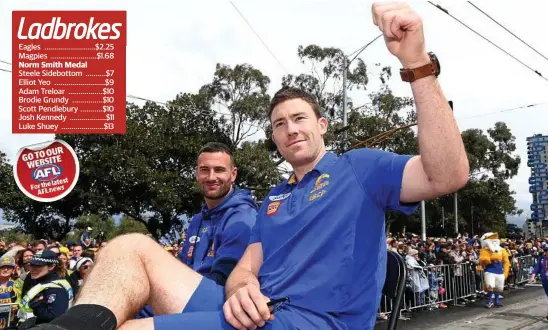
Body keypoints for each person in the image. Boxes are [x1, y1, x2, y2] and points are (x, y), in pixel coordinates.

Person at [30, 3, 469, 330]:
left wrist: (417, 64)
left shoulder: (359, 169)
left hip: (311, 324)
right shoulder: (274, 198)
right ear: (274, 137)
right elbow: (248, 264)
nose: (290, 129)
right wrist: (241, 288)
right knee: (128, 246)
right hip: (253, 314)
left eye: (299, 119)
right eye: (280, 124)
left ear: (322, 125)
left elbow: (448, 175)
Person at [135, 142, 258, 318]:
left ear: (233, 174)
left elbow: (225, 281)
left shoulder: (243, 217)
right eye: (204, 170)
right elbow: (182, 266)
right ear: (196, 173)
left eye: (219, 170)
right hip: (185, 296)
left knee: (134, 245)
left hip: (215, 306)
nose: (211, 177)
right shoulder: (197, 220)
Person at [17, 251, 73, 328]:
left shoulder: (56, 288)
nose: (33, 269)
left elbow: (54, 317)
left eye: (38, 266)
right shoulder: (35, 279)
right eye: (31, 265)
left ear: (51, 266)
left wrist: (37, 304)